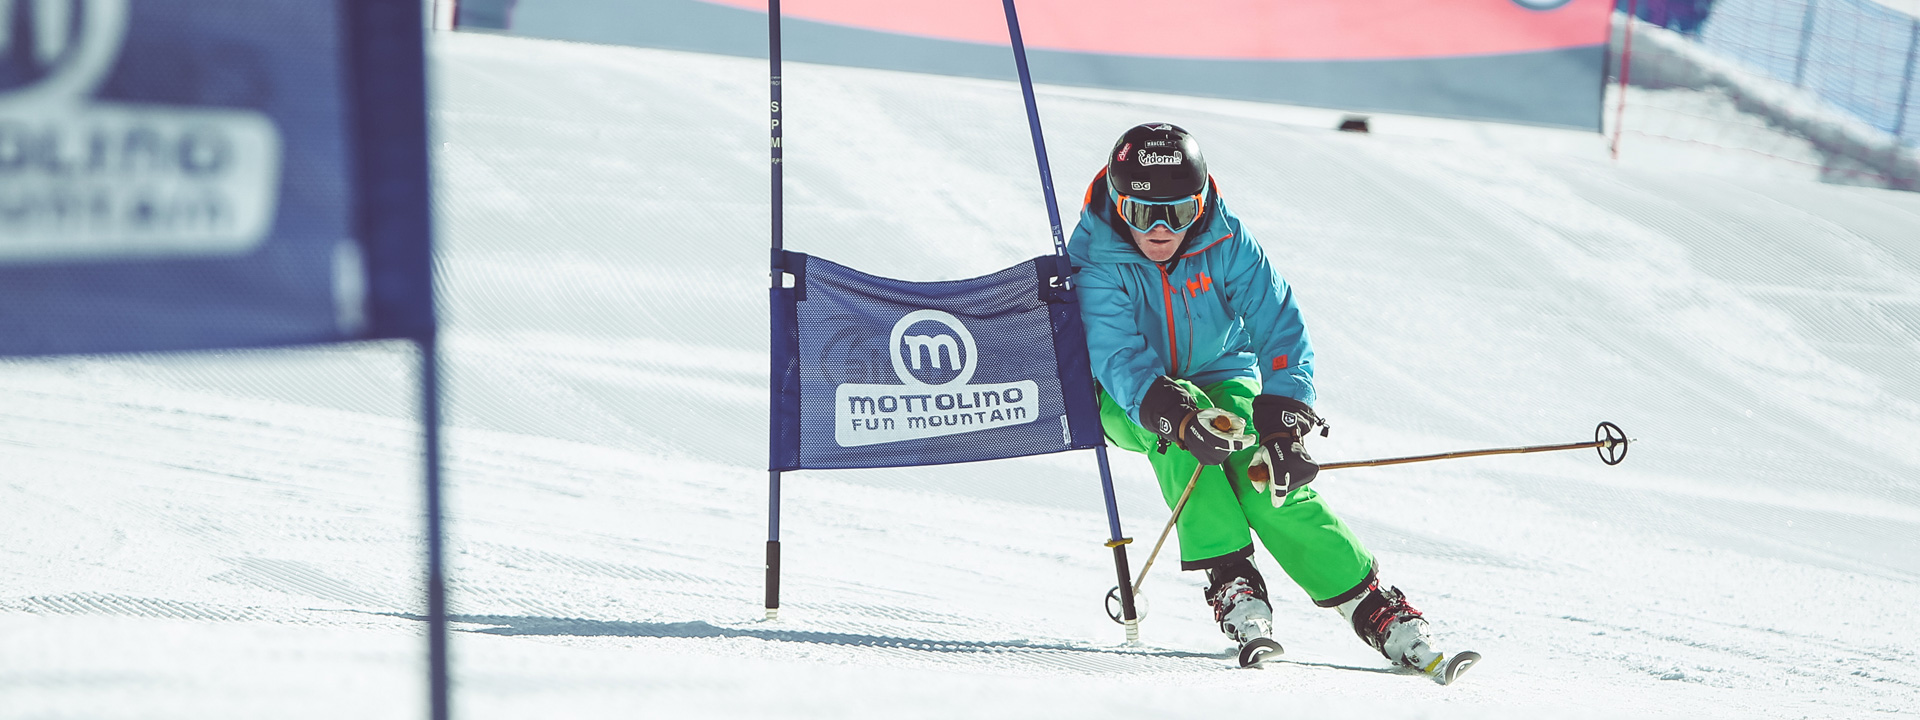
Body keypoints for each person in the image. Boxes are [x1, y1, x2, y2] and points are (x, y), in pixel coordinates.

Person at [1067, 123, 1467, 679]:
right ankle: (1232, 578)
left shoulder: (1227, 241)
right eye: (1140, 213)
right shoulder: (1096, 256)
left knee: (1258, 467)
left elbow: (1278, 325)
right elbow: (1116, 354)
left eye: (1178, 213)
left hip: (1219, 372)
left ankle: (1369, 602)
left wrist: (1282, 423)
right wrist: (1174, 415)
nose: (1160, 231)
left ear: (1202, 203)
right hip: (1126, 398)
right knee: (1185, 442)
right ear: (1117, 201)